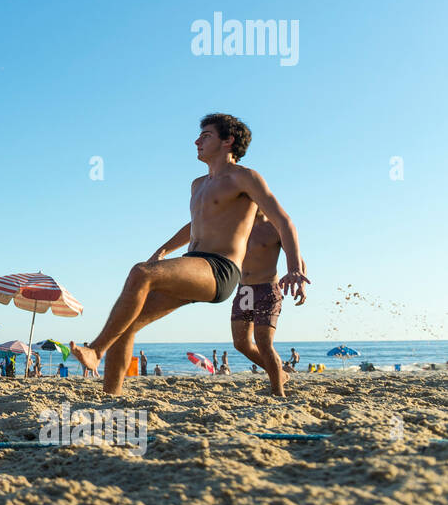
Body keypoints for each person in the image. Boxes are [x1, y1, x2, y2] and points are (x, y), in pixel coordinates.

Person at [70, 114, 308, 395]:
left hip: (220, 269)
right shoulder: (198, 184)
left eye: (206, 135)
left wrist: (294, 268)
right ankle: (111, 397)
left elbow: (284, 220)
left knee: (140, 273)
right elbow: (194, 225)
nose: (197, 141)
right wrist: (164, 249)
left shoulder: (244, 177)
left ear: (227, 141)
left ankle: (96, 350)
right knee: (126, 325)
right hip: (193, 265)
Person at [226, 210, 308, 395]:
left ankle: (278, 392)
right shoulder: (238, 226)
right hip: (244, 290)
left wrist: (301, 284)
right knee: (241, 343)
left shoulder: (275, 227)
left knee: (263, 343)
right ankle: (280, 373)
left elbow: (299, 261)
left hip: (267, 289)